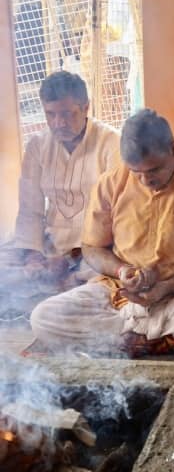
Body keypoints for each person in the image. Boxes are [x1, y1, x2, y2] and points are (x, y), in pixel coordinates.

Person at [30, 109, 174, 361]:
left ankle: (129, 340)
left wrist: (168, 286)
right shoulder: (110, 183)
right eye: (135, 171)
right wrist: (122, 271)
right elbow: (91, 248)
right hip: (120, 295)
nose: (144, 180)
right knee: (43, 317)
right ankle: (169, 341)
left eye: (153, 170)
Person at [0, 71, 119, 300]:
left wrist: (70, 258)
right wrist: (33, 257)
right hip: (50, 244)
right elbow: (30, 210)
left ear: (85, 108)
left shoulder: (111, 143)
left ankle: (64, 288)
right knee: (5, 269)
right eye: (50, 114)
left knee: (99, 280)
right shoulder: (37, 146)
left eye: (67, 114)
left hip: (96, 248)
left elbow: (117, 217)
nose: (58, 123)